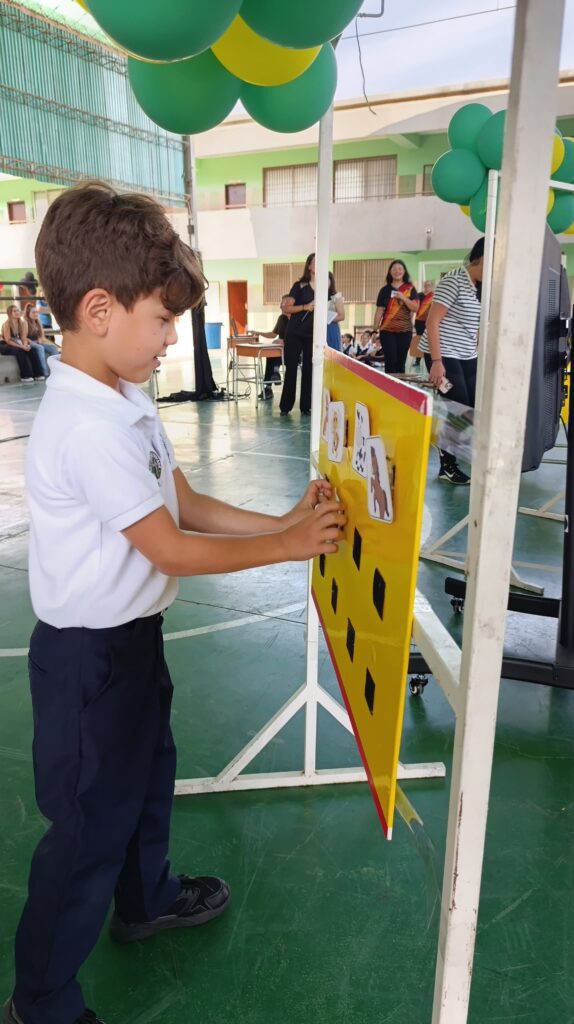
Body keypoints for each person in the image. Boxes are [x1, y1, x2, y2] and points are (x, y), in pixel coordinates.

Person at [3, 182, 346, 1024]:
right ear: (99, 310)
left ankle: (147, 898)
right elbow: (171, 547)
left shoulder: (124, 396)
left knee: (147, 780)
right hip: (87, 663)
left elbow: (180, 498)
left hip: (132, 643)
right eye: (161, 321)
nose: (169, 340)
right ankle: (41, 1000)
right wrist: (288, 547)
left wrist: (283, 520)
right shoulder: (86, 426)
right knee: (86, 832)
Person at [419, 238, 484, 485]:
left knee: (472, 406)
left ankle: (454, 449)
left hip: (467, 353)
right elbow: (432, 321)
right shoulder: (454, 280)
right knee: (458, 406)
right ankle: (447, 465)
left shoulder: (483, 287)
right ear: (482, 258)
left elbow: (476, 324)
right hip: (443, 353)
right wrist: (437, 362)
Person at [279, 253, 316, 416]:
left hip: (312, 334)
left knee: (309, 369)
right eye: (314, 262)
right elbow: (286, 308)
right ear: (309, 266)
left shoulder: (324, 287)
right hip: (294, 332)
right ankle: (286, 406)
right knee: (291, 369)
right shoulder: (299, 285)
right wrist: (304, 307)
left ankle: (306, 406)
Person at [373, 260, 419, 374]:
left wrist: (403, 298)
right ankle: (389, 385)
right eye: (394, 269)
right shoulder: (384, 290)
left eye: (400, 269)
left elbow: (415, 308)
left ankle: (399, 385)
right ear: (390, 272)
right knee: (390, 361)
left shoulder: (410, 288)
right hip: (387, 331)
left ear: (404, 271)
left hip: (405, 331)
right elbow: (379, 311)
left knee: (400, 363)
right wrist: (374, 330)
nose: (397, 271)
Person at [256, 294, 290, 400]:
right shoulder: (282, 319)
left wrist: (284, 341)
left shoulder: (296, 320)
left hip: (292, 352)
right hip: (280, 351)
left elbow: (299, 337)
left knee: (274, 355)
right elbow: (273, 334)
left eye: (283, 303)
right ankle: (270, 385)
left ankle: (275, 373)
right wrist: (259, 333)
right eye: (281, 303)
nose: (280, 306)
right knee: (270, 354)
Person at [0, 304, 45, 382]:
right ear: (10, 313)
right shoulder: (7, 324)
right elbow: (8, 340)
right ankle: (25, 376)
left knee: (32, 350)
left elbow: (23, 337)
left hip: (18, 343)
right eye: (14, 311)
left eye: (18, 310)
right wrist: (22, 347)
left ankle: (38, 374)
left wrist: (25, 345)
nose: (17, 312)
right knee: (20, 351)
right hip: (5, 345)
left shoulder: (22, 323)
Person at [23, 302, 60, 377]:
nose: (36, 314)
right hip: (30, 342)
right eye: (33, 312)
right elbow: (24, 337)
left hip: (38, 342)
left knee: (53, 348)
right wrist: (33, 342)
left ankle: (57, 370)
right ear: (28, 314)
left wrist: (40, 339)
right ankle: (45, 373)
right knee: (40, 348)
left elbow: (42, 336)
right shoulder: (25, 323)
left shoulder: (38, 322)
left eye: (36, 312)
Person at [411, 279, 434, 368]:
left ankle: (431, 360)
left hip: (430, 322)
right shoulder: (419, 295)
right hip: (419, 321)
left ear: (431, 286)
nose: (427, 287)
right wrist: (411, 319)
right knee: (419, 340)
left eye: (429, 285)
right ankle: (417, 360)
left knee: (430, 340)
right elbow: (414, 308)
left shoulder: (434, 296)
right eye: (425, 285)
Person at [326, 273, 345, 351]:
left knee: (332, 351)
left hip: (331, 328)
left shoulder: (336, 297)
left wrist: (326, 318)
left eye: (326, 280)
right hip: (316, 328)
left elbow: (342, 316)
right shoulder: (315, 295)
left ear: (331, 281)